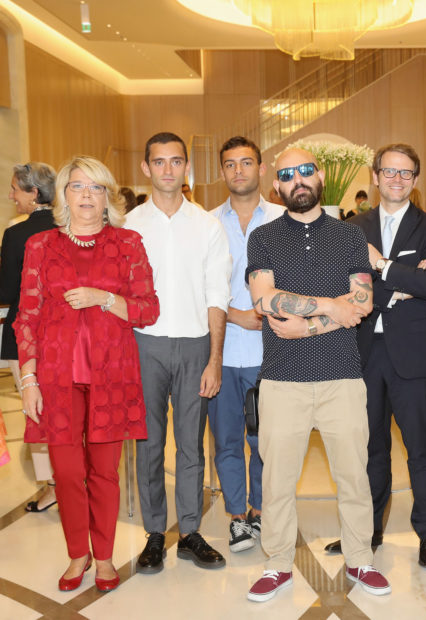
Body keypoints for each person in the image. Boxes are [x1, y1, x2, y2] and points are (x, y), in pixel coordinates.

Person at [246, 147, 391, 603]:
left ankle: (360, 558)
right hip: (282, 380)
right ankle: (276, 565)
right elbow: (265, 302)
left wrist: (305, 324)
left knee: (353, 475)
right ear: (278, 186)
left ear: (321, 175)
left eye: (305, 170)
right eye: (287, 174)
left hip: (342, 376)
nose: (298, 180)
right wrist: (330, 305)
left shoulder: (350, 237)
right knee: (278, 480)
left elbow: (363, 304)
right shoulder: (264, 238)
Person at [15, 156, 159, 592]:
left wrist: (103, 297)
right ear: (63, 194)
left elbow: (148, 309)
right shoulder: (40, 246)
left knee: (104, 472)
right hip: (56, 378)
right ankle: (78, 554)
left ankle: (106, 557)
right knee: (67, 472)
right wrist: (28, 380)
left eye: (96, 188)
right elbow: (27, 316)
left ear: (107, 196)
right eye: (77, 187)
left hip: (110, 374)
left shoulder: (128, 242)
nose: (86, 196)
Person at [323, 144, 426, 567]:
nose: (397, 179)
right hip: (362, 355)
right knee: (368, 451)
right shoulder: (350, 229)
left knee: (422, 450)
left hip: (416, 357)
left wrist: (381, 267)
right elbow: (341, 289)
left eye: (405, 173)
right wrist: (405, 280)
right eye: (389, 172)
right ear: (374, 177)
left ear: (415, 179)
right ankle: (367, 533)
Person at [125, 132, 232, 574]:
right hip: (142, 345)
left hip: (194, 346)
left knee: (190, 445)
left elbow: (217, 294)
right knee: (148, 444)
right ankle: (154, 533)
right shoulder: (129, 225)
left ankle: (189, 531)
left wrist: (213, 358)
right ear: (146, 169)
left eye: (176, 161)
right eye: (159, 162)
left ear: (187, 167)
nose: (168, 169)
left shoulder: (207, 224)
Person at [209, 136, 284, 552]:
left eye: (246, 163)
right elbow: (201, 287)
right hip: (220, 353)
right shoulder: (208, 222)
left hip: (271, 356)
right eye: (230, 164)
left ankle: (260, 511)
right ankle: (237, 517)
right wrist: (240, 316)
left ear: (261, 169)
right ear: (222, 171)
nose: (238, 170)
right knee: (227, 440)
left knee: (265, 441)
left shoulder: (283, 219)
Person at [1, 162, 59, 512]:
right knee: (66, 413)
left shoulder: (17, 233)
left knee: (35, 415)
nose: (11, 195)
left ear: (33, 193)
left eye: (15, 189)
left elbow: (8, 288)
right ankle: (71, 479)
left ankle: (52, 487)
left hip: (25, 336)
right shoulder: (69, 226)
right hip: (64, 336)